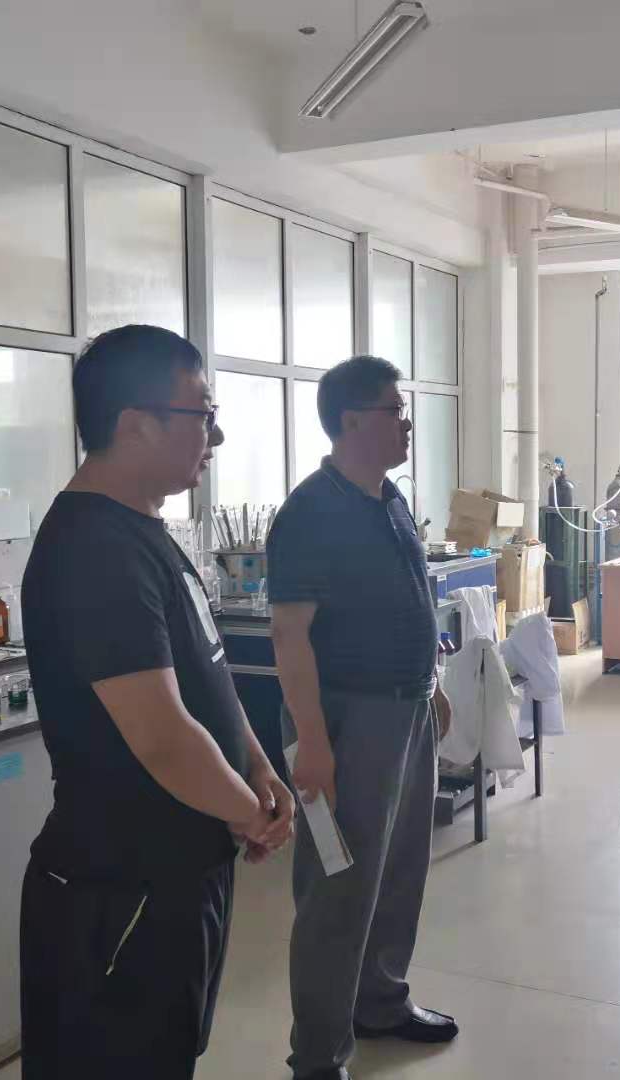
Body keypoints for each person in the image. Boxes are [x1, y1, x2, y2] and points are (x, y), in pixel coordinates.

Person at [19, 325, 295, 1079]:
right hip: (119, 890)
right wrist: (250, 813)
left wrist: (256, 769)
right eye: (202, 413)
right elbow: (162, 735)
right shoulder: (94, 549)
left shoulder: (147, 533)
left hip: (175, 874)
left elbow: (205, 677)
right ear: (136, 424)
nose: (217, 435)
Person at [268, 354, 457, 1080]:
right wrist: (314, 743)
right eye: (394, 411)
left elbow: (411, 596)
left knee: (400, 870)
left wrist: (431, 683)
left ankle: (380, 1000)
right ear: (352, 421)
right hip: (347, 724)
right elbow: (290, 637)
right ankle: (317, 1057)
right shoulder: (311, 512)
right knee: (338, 890)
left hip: (407, 710)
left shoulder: (390, 499)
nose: (406, 424)